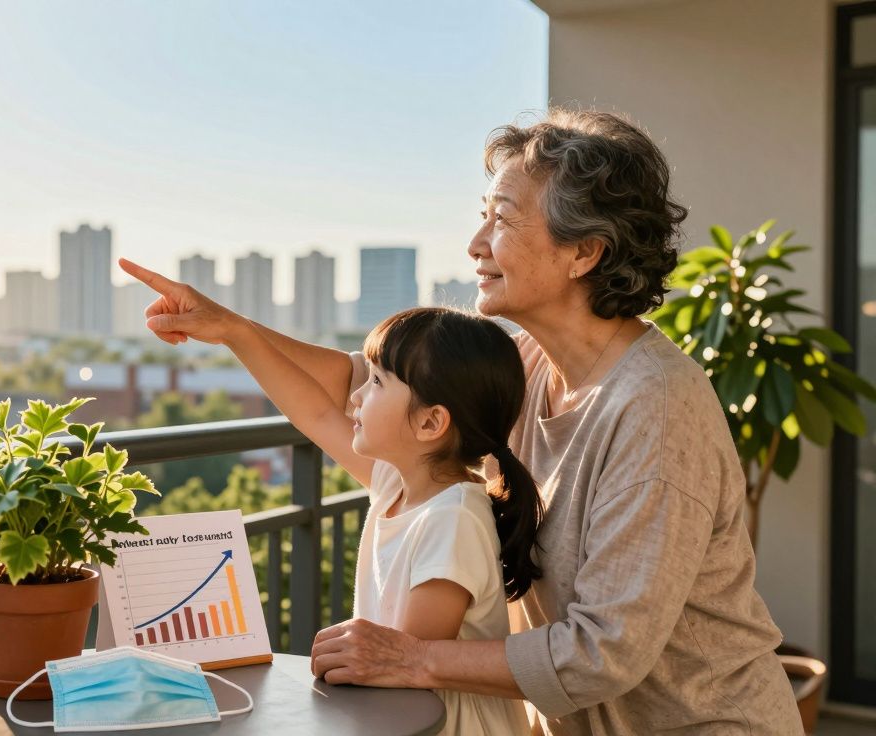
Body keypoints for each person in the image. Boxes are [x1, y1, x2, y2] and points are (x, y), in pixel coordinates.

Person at [119, 109, 801, 734]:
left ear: (584, 252)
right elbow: (357, 389)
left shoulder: (656, 407)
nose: (476, 244)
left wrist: (414, 658)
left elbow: (601, 653)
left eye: (501, 219)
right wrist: (231, 329)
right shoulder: (528, 364)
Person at [226, 305, 536, 734]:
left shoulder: (453, 519)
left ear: (430, 422)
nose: (354, 397)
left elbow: (402, 666)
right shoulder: (400, 485)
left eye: (375, 382)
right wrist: (234, 334)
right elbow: (314, 413)